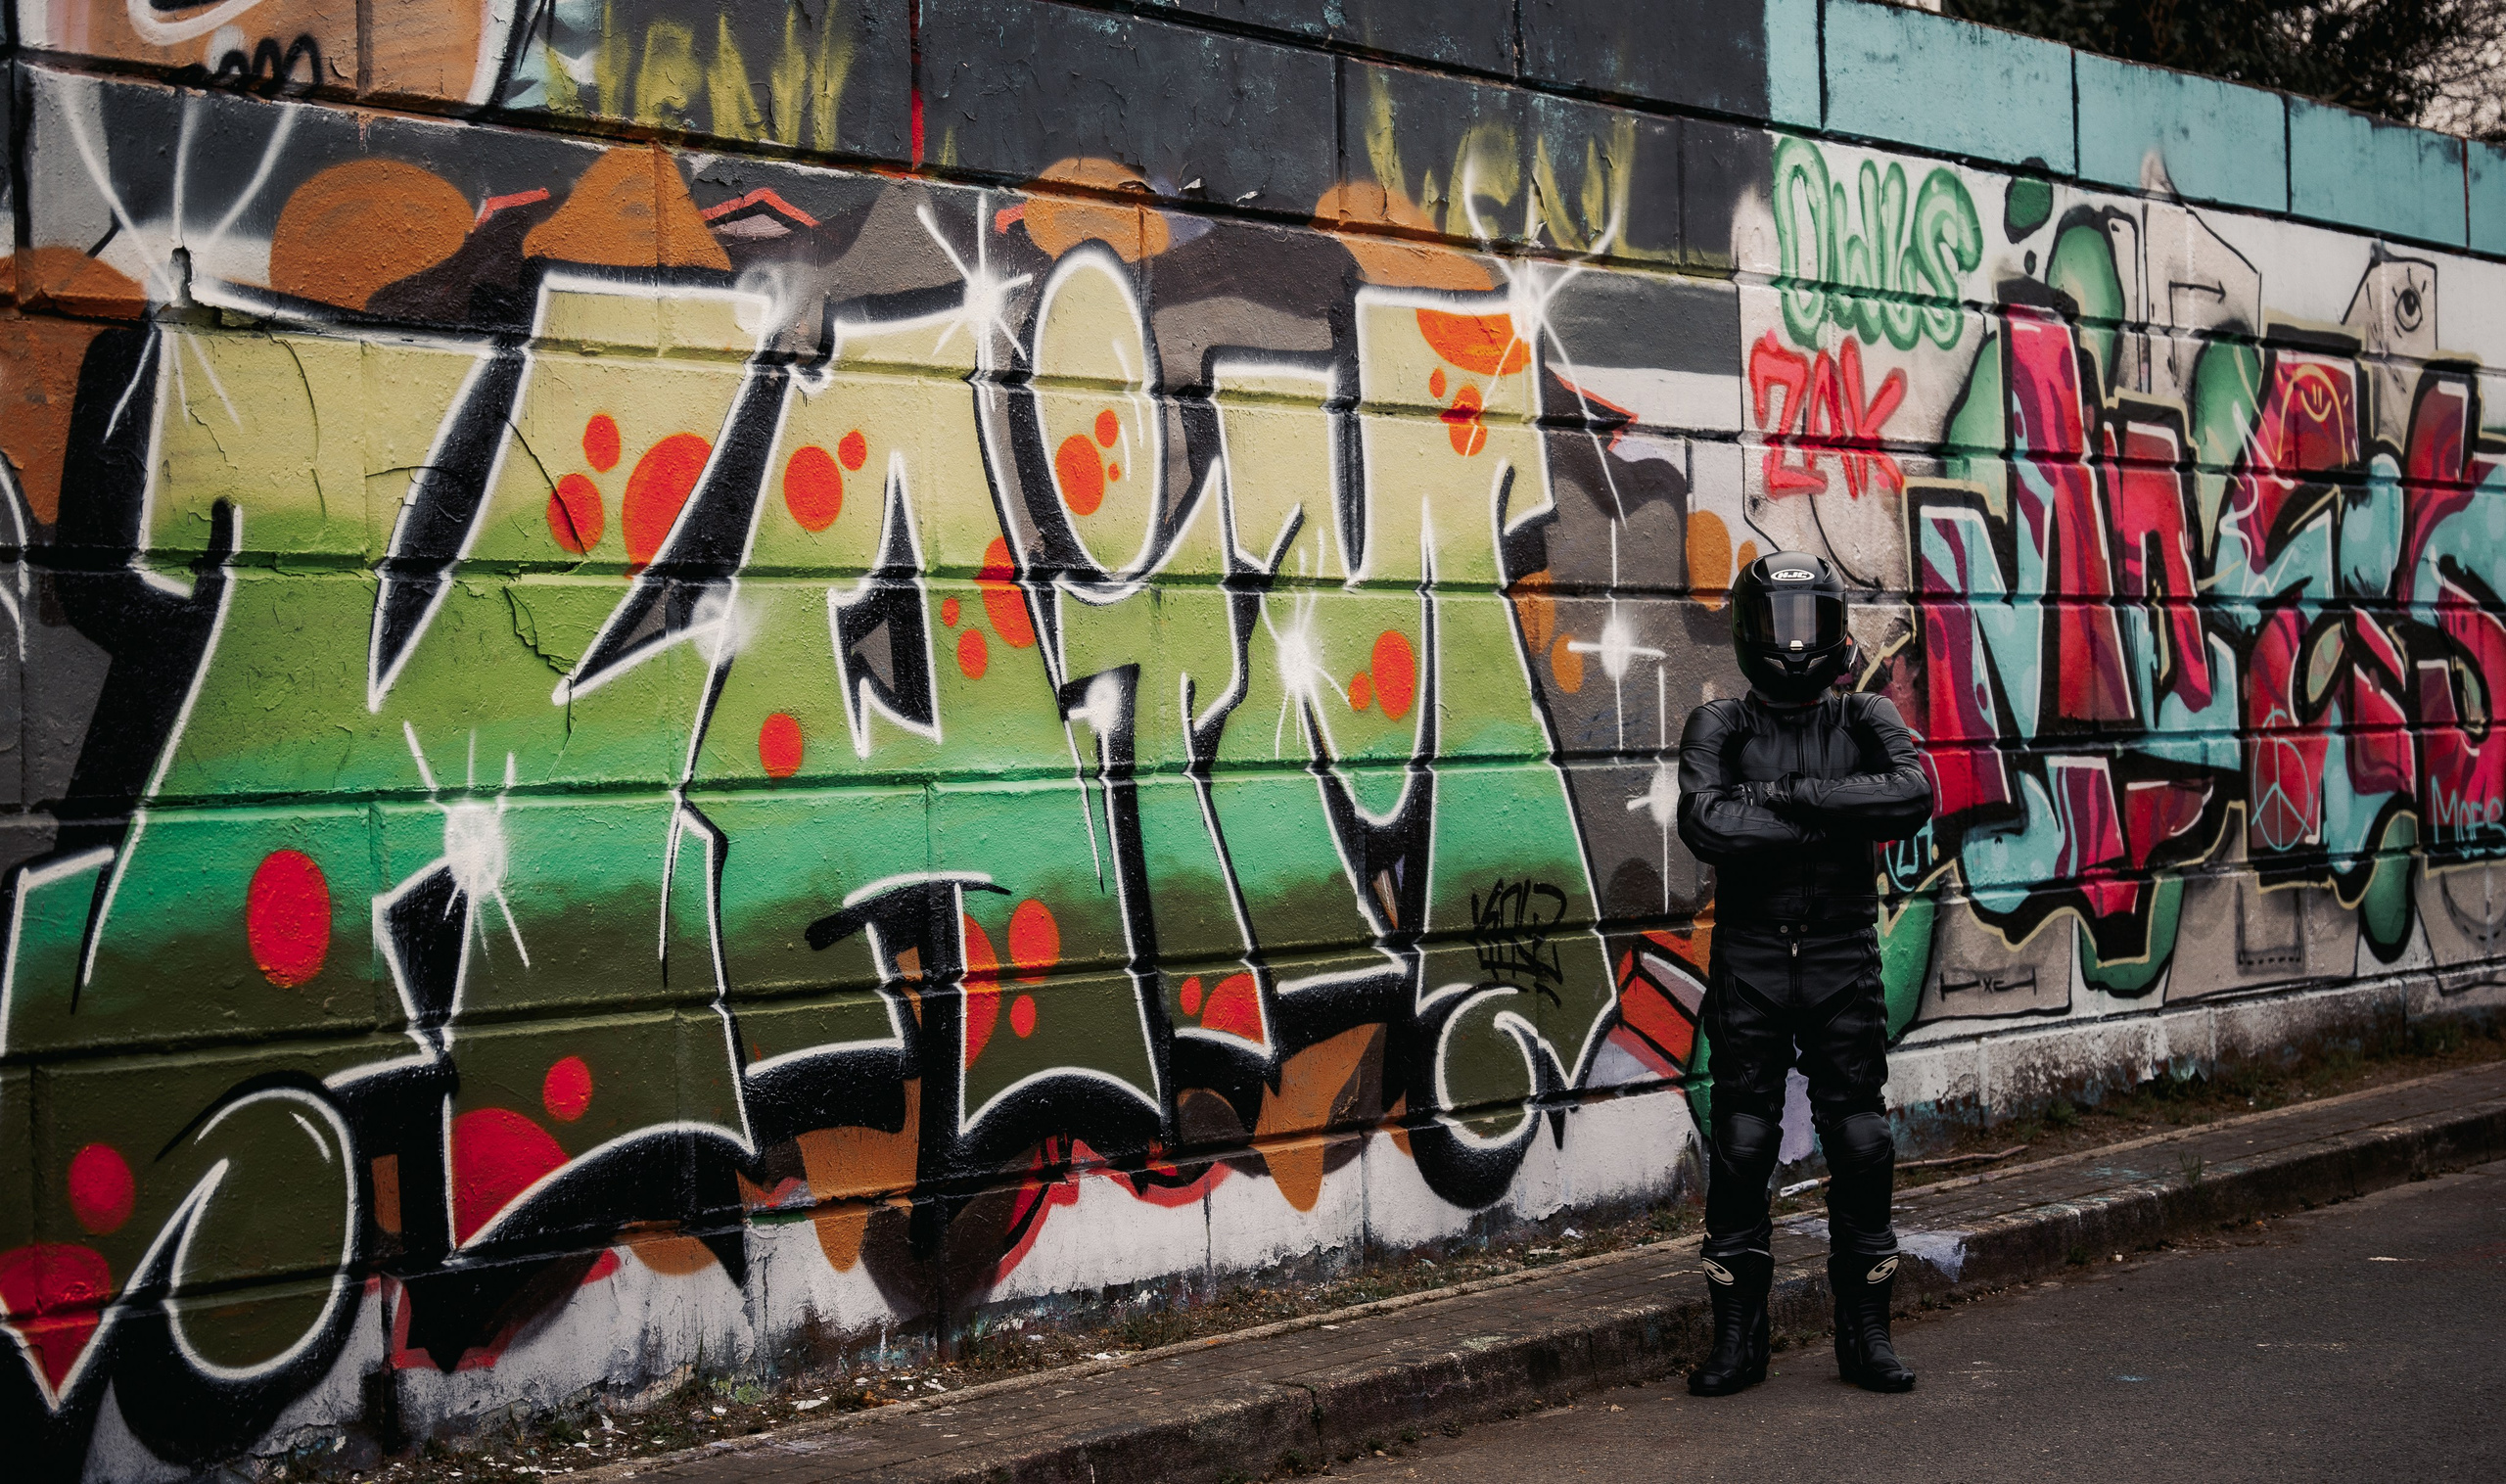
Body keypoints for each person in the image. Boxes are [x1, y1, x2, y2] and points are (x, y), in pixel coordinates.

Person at [1674, 550, 1934, 1396]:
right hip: (1751, 955)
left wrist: (1787, 798)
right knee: (1742, 1142)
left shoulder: (1865, 714)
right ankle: (1738, 1341)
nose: (1794, 641)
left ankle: (1866, 1337)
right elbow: (1707, 824)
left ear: (1835, 629)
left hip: (1839, 952)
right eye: (1779, 623)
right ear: (1750, 632)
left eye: (1809, 622)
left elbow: (1910, 796)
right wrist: (1834, 809)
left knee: (1861, 1139)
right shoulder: (1720, 725)